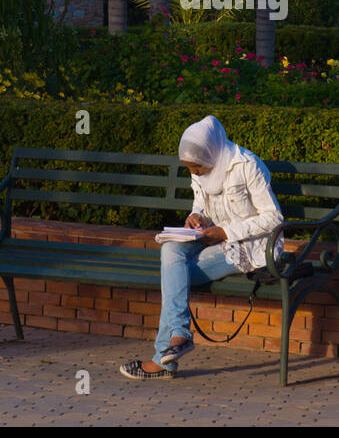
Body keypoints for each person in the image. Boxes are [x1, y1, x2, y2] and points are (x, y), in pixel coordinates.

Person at [119, 115, 284, 380]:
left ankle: (165, 359)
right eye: (190, 169)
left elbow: (274, 218)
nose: (194, 173)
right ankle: (180, 336)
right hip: (214, 239)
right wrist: (197, 218)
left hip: (250, 247)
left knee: (173, 276)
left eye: (197, 168)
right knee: (170, 251)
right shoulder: (202, 168)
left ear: (211, 156)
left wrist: (226, 231)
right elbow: (202, 206)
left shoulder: (247, 165)